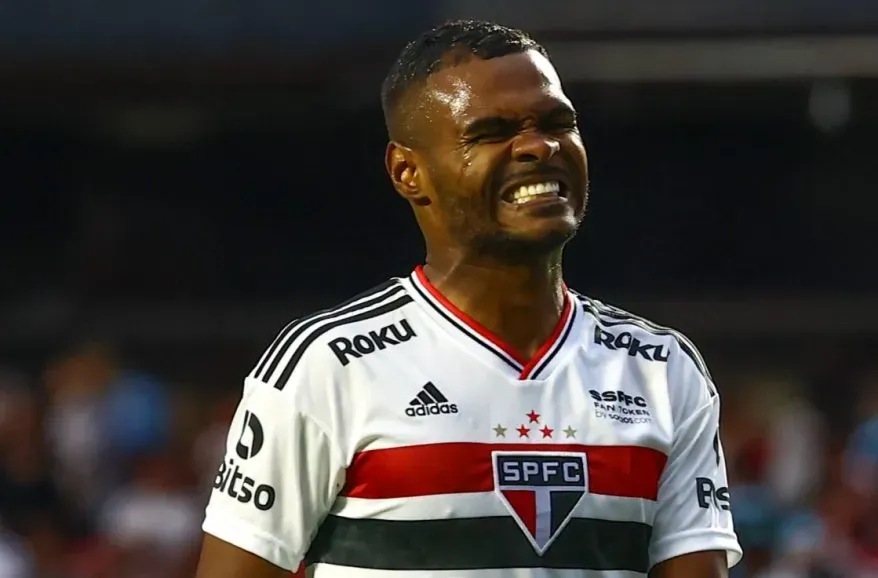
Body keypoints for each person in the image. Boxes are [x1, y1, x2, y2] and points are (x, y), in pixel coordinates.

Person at [194, 19, 742, 578]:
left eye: (558, 122)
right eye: (491, 132)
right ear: (408, 171)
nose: (538, 145)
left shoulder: (662, 370)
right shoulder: (328, 363)